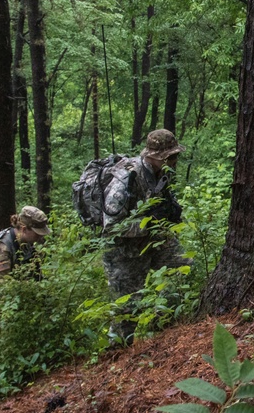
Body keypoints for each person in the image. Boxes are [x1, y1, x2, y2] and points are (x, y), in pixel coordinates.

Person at [101, 128, 191, 344]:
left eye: (175, 155)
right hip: (123, 252)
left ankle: (164, 327)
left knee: (184, 267)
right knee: (127, 310)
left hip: (154, 241)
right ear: (155, 156)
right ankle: (117, 356)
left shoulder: (160, 174)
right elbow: (111, 227)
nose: (174, 160)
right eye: (171, 156)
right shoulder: (126, 180)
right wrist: (148, 225)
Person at [0, 206, 50, 314]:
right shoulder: (1, 249)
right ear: (24, 229)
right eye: (37, 233)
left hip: (14, 302)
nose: (40, 237)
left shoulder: (27, 245)